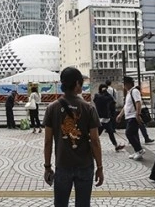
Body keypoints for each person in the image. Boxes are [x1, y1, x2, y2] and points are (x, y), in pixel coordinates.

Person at [44, 67, 103, 207]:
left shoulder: (52, 108)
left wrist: (47, 166)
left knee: (60, 204)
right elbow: (95, 141)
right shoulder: (89, 108)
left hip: (62, 165)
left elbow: (47, 142)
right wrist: (99, 167)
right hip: (85, 165)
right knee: (83, 204)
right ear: (77, 84)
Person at [116, 76, 145, 161]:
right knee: (134, 134)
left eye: (124, 84)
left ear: (128, 84)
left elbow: (138, 102)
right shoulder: (129, 92)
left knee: (128, 133)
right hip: (129, 116)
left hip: (133, 116)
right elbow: (126, 106)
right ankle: (137, 151)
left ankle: (139, 150)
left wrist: (137, 114)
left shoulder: (135, 91)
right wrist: (120, 115)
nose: (123, 86)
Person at [93, 84, 125, 151]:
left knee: (110, 133)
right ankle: (90, 145)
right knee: (99, 134)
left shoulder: (96, 96)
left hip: (103, 119)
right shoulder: (102, 97)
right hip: (103, 119)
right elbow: (111, 98)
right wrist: (106, 92)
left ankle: (116, 145)